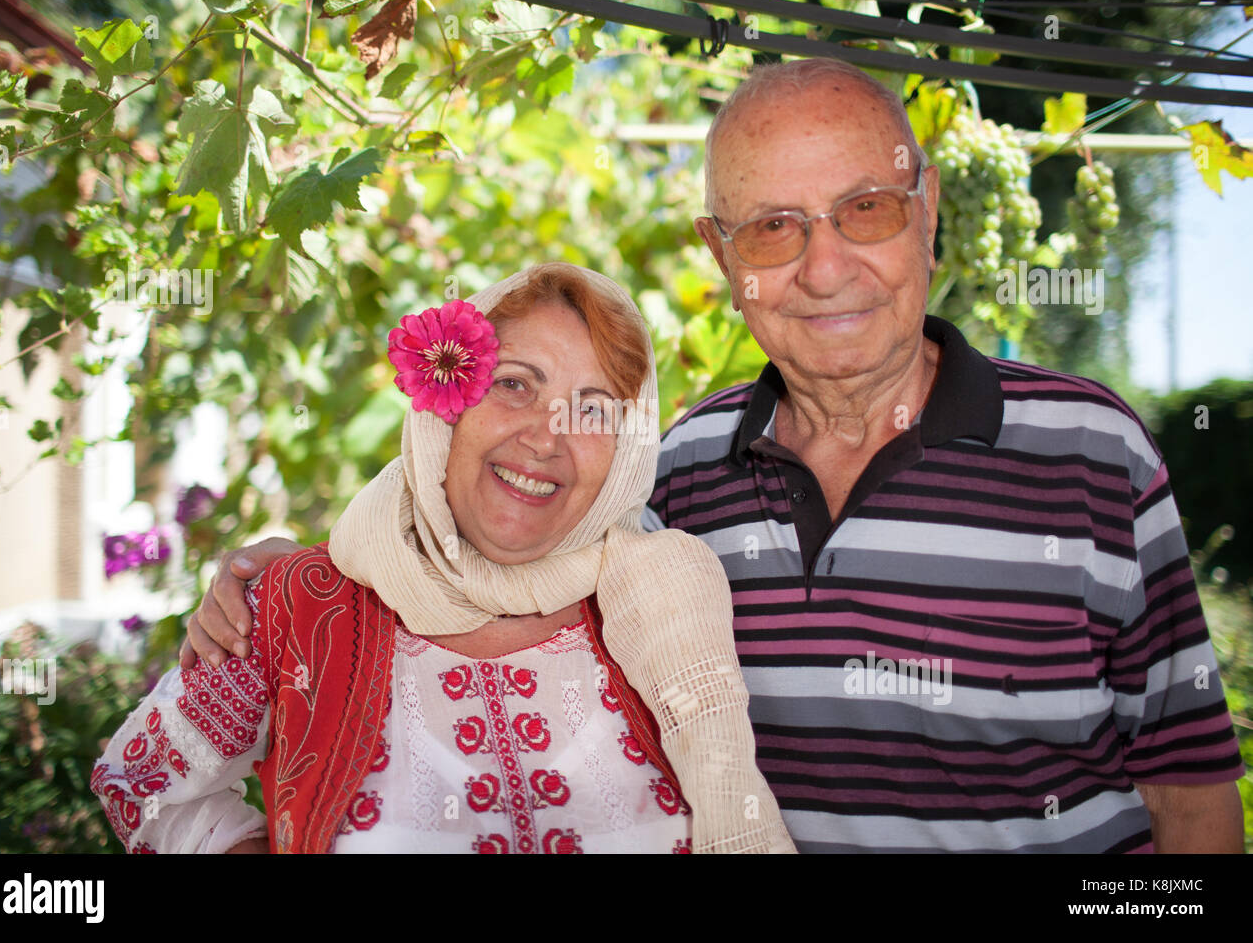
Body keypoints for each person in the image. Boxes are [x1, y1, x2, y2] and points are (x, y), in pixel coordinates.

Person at [185, 59, 1245, 853]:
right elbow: (481, 579)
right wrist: (285, 573)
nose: (825, 266)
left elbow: (1188, 789)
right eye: (772, 228)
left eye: (864, 210)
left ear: (926, 216)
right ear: (721, 255)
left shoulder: (1093, 451)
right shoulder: (666, 481)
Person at [93, 262, 795, 854]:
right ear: (446, 403)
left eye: (592, 411)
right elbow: (144, 784)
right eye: (515, 384)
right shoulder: (297, 604)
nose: (546, 440)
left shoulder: (660, 607)